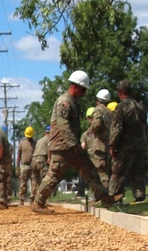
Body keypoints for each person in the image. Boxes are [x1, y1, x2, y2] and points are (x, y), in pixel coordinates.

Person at [32, 71, 114, 209]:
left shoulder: (72, 101)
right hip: (63, 146)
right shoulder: (64, 102)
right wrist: (74, 145)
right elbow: (63, 126)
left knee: (88, 169)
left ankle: (104, 196)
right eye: (83, 89)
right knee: (54, 175)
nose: (84, 92)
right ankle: (38, 202)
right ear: (75, 87)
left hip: (69, 145)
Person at [108, 78, 148, 203]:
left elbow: (117, 128)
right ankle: (139, 194)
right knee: (138, 171)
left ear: (120, 92)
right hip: (140, 144)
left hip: (125, 146)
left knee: (118, 172)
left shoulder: (121, 107)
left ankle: (115, 195)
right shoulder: (141, 107)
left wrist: (112, 145)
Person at [83, 89, 111, 183]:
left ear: (98, 99)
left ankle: (104, 195)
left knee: (100, 172)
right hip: (108, 145)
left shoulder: (98, 109)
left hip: (100, 145)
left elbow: (97, 124)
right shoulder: (109, 112)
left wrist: (90, 130)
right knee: (105, 170)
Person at [16, 126, 36, 202]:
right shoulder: (22, 143)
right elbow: (18, 155)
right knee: (23, 183)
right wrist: (17, 167)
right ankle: (22, 199)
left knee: (34, 183)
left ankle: (33, 198)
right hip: (24, 165)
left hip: (33, 165)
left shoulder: (35, 143)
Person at [31, 125, 50, 196]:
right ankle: (42, 198)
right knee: (45, 179)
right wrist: (49, 158)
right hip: (41, 159)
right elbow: (49, 150)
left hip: (33, 160)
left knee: (35, 180)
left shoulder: (39, 140)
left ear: (45, 132)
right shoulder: (49, 139)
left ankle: (33, 196)